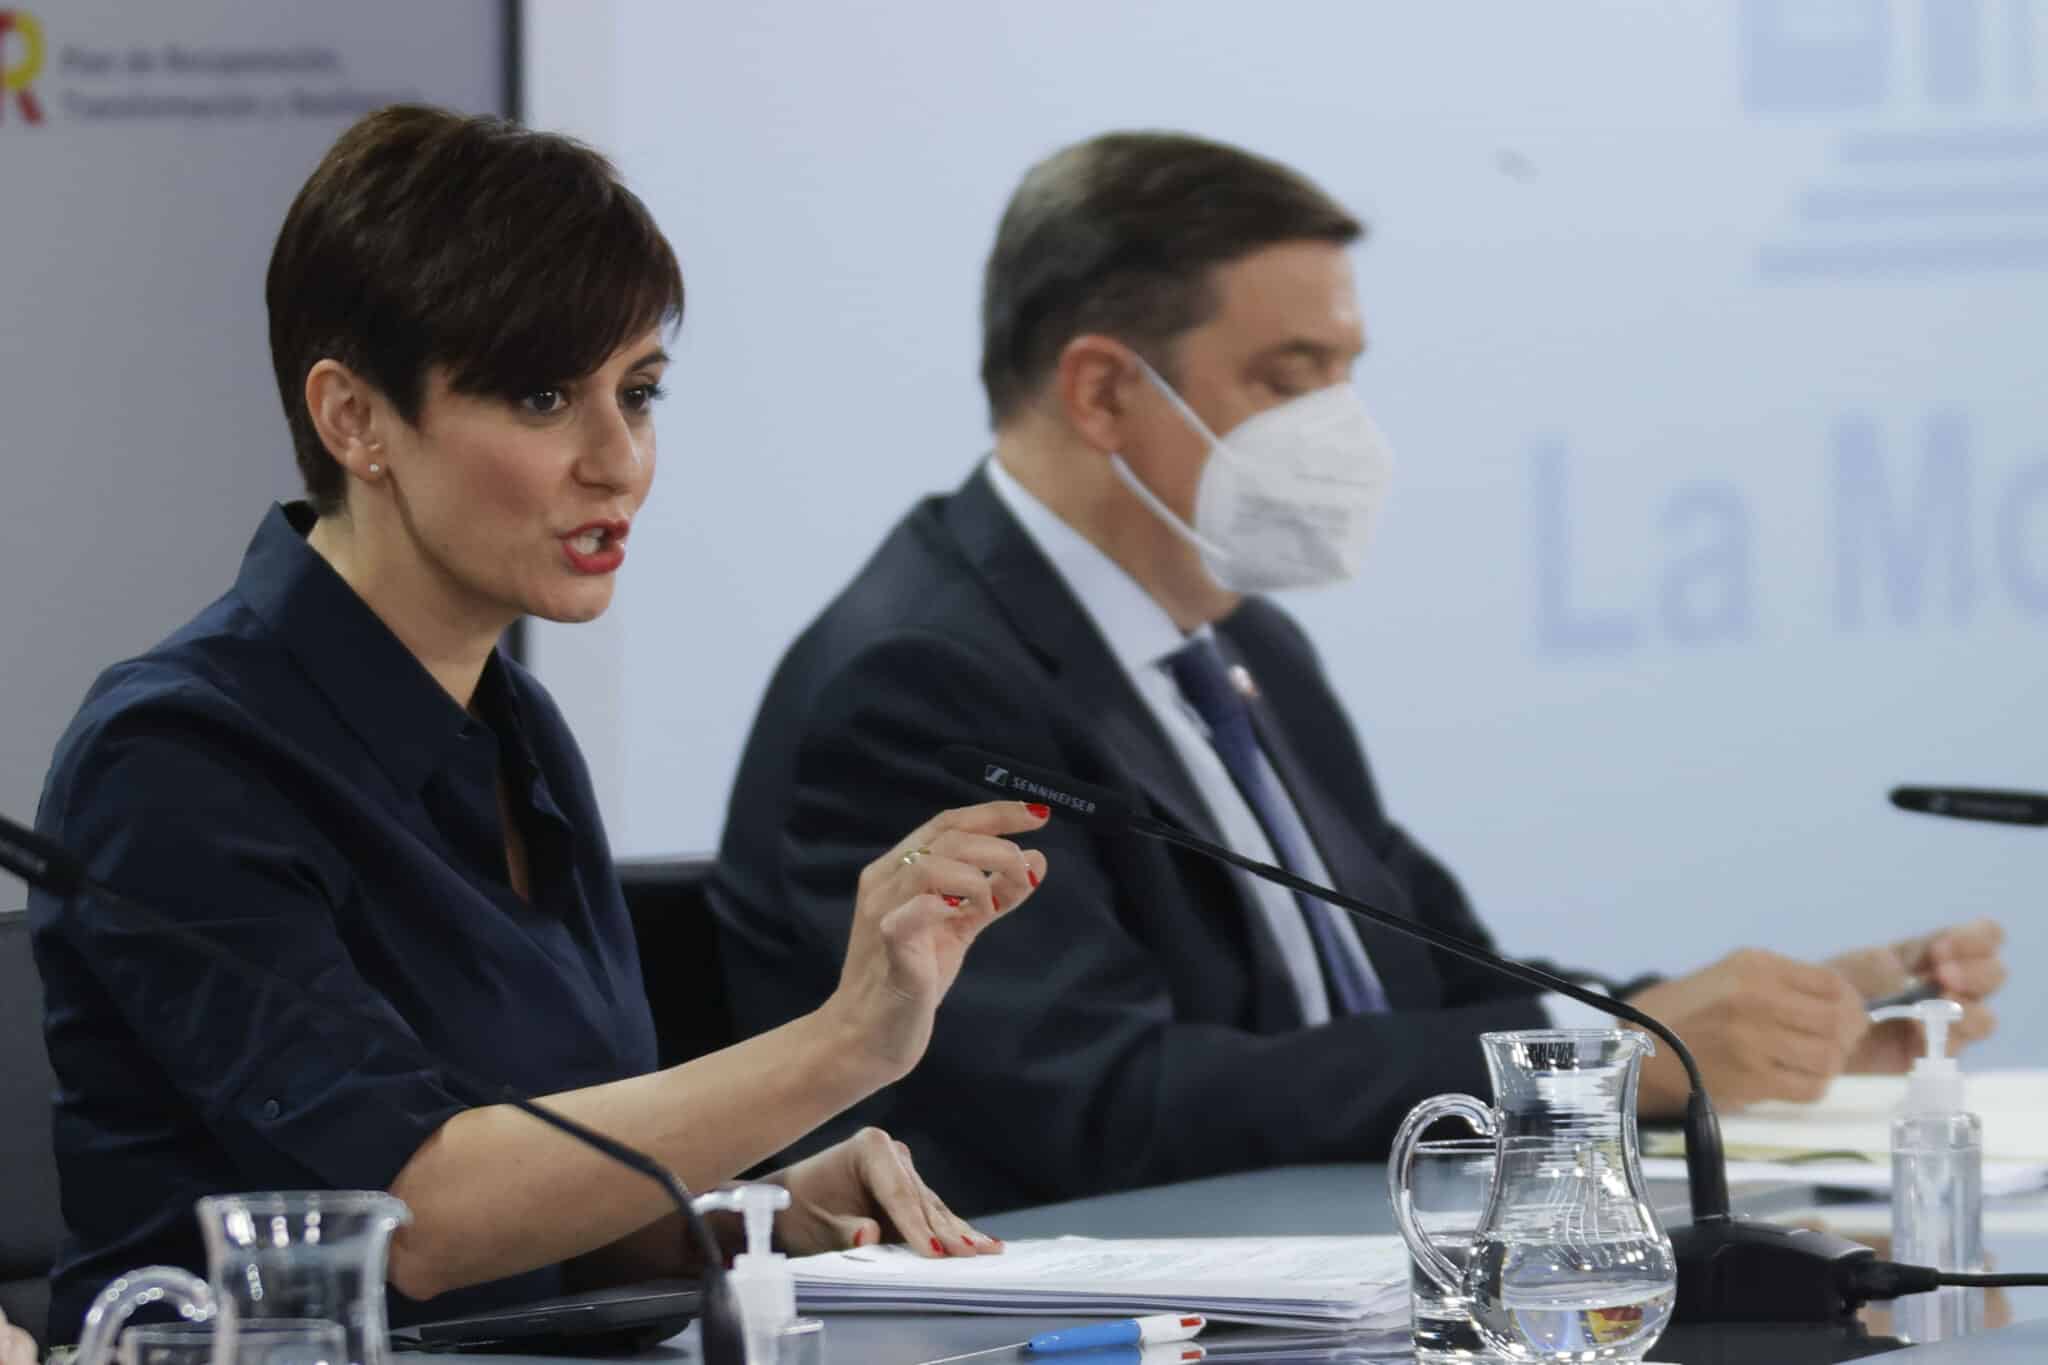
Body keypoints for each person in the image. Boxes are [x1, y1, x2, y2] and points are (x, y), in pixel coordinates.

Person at [710, 130, 2007, 1217]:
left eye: (1346, 372)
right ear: (1104, 392)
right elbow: (1102, 1105)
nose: (1343, 424)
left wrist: (1744, 1033)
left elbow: (1429, 985)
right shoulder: (922, 681)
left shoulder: (1238, 639)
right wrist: (1612, 1065)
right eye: (1294, 375)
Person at [26, 105, 1050, 1345]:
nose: (617, 460)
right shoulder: (176, 760)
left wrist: (738, 1216)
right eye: (542, 394)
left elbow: (538, 1185)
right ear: (354, 420)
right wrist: (844, 1042)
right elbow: (416, 1219)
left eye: (640, 391)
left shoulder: (513, 722)